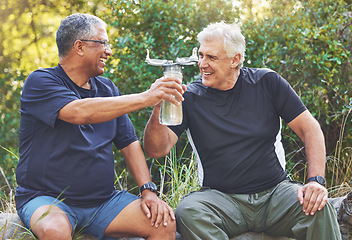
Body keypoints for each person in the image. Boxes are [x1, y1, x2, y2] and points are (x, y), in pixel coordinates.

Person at [143, 22, 341, 240]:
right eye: (200, 56)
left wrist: (316, 181)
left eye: (211, 57)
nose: (202, 64)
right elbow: (156, 149)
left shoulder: (267, 82)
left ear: (235, 60)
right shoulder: (189, 97)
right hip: (221, 200)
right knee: (189, 211)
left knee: (320, 209)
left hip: (275, 194)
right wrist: (159, 105)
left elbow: (310, 129)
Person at [15, 13, 184, 240]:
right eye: (102, 43)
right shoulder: (41, 82)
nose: (109, 50)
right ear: (80, 47)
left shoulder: (107, 88)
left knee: (163, 223)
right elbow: (79, 112)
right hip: (47, 199)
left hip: (104, 202)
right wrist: (146, 97)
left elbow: (129, 143)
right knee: (55, 230)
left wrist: (148, 190)